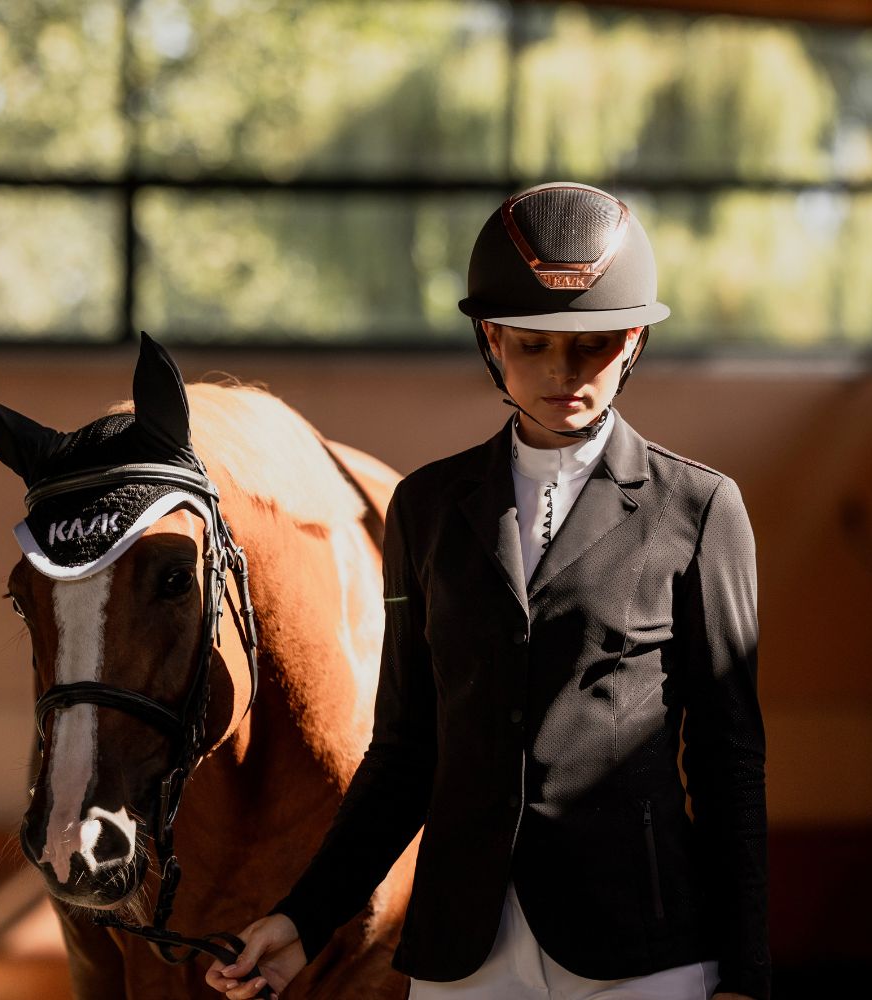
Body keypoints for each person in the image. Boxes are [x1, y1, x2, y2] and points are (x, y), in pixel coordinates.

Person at [206, 182, 770, 1000]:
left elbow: (728, 760)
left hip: (643, 950)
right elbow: (404, 751)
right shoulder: (426, 508)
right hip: (460, 948)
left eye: (593, 345)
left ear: (636, 339)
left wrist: (745, 970)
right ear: (491, 338)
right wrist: (304, 921)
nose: (563, 372)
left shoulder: (701, 509)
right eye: (533, 345)